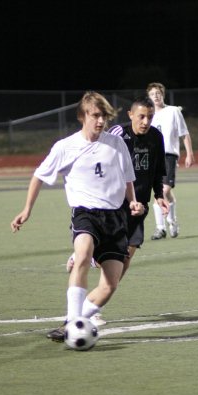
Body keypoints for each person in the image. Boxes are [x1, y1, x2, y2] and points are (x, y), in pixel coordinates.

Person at [10, 91, 144, 341]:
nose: (101, 121)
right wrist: (27, 209)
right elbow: (39, 175)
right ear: (83, 116)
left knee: (110, 285)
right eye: (95, 115)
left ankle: (75, 320)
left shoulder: (117, 144)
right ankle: (73, 321)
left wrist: (133, 201)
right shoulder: (65, 147)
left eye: (104, 116)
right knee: (82, 255)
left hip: (115, 218)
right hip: (85, 214)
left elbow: (127, 178)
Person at [66, 95, 169, 323]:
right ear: (130, 115)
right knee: (107, 253)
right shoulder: (117, 135)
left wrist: (160, 196)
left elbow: (158, 169)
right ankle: (84, 257)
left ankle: (91, 304)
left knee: (126, 258)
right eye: (141, 116)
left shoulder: (156, 137)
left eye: (150, 117)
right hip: (114, 206)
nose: (145, 121)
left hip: (138, 206)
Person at [146, 82, 195, 239]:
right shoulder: (148, 115)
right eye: (153, 93)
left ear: (163, 95)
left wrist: (189, 153)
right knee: (163, 192)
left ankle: (166, 225)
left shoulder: (173, 111)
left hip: (168, 156)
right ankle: (165, 225)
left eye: (158, 93)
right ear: (149, 97)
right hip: (153, 156)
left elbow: (184, 133)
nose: (156, 95)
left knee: (164, 190)